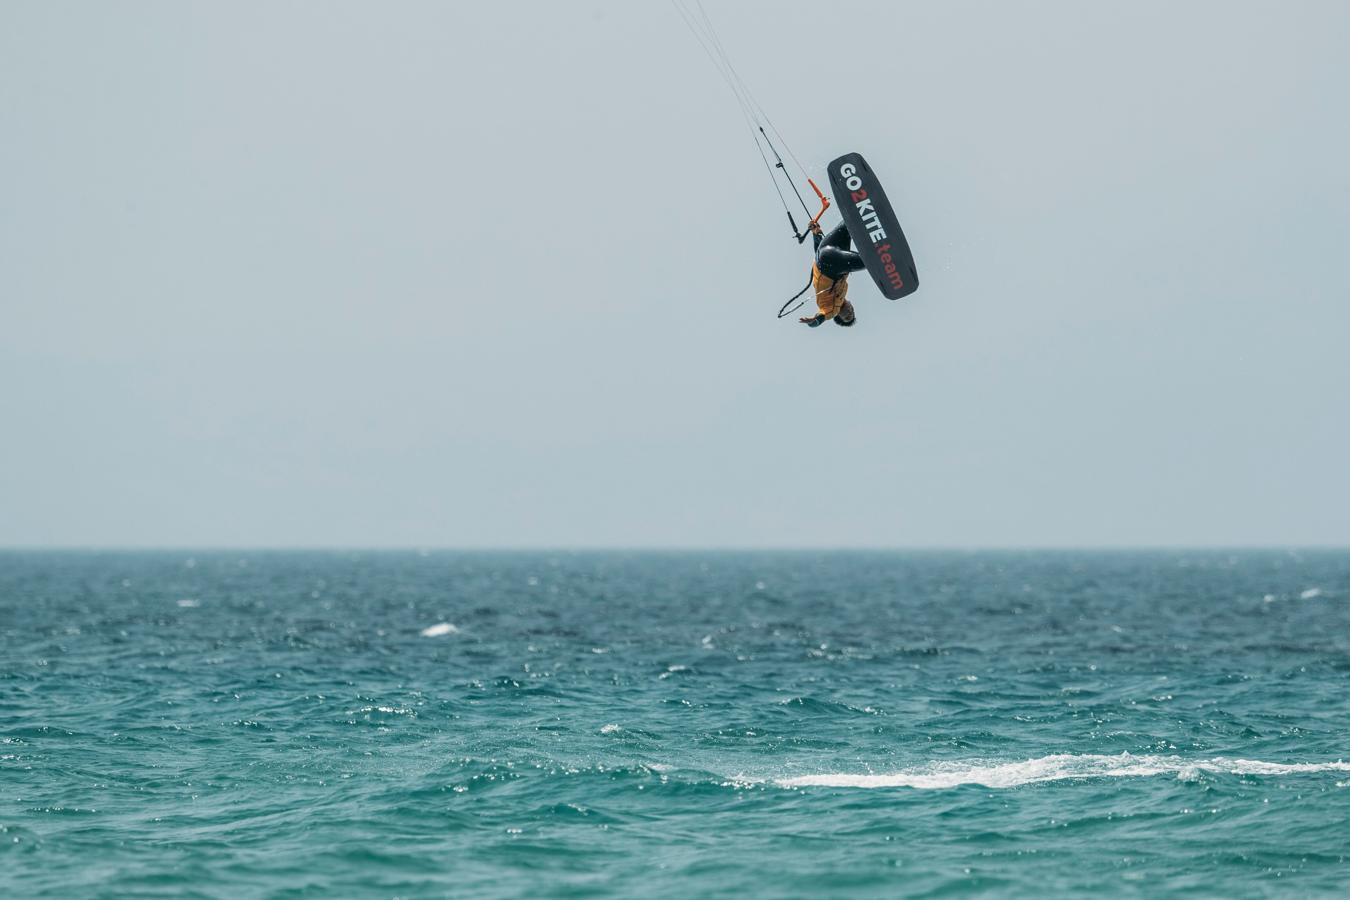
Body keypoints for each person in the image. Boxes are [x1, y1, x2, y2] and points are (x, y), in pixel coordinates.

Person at [799, 220, 864, 328]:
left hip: (827, 261)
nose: (850, 312)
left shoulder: (832, 309)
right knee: (850, 223)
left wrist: (813, 322)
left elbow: (822, 316)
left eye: (847, 316)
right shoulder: (842, 290)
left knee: (867, 261)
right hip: (826, 251)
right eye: (852, 312)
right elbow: (819, 256)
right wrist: (816, 235)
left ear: (837, 315)